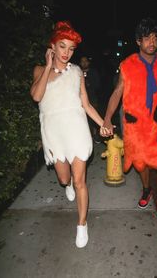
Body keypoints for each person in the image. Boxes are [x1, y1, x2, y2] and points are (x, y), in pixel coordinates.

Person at [30, 20, 109, 248]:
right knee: (65, 179)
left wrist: (103, 123)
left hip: (76, 128)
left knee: (80, 180)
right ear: (52, 46)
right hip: (54, 132)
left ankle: (82, 224)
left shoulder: (76, 72)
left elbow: (86, 104)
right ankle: (68, 185)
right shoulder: (38, 70)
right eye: (62, 46)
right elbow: (36, 96)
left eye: (71, 48)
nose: (67, 52)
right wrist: (47, 68)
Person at [101, 17, 157, 226]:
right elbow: (117, 93)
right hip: (137, 126)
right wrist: (107, 118)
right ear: (138, 41)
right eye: (147, 38)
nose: (152, 43)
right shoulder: (127, 65)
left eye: (155, 38)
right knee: (141, 163)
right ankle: (147, 189)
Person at [79, 55, 102, 143]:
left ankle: (96, 135)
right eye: (82, 61)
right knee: (84, 119)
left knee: (94, 118)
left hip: (93, 99)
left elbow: (98, 85)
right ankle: (88, 137)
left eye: (86, 61)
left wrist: (89, 82)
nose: (84, 63)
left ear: (88, 62)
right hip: (81, 100)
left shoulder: (93, 72)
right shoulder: (78, 72)